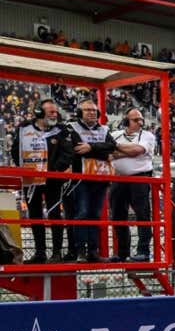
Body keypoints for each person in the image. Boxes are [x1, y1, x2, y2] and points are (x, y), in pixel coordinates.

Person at [10, 98, 73, 263]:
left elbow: (68, 153)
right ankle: (40, 253)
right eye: (51, 112)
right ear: (39, 113)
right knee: (35, 215)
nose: (55, 114)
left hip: (53, 180)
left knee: (55, 214)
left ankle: (57, 253)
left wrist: (54, 170)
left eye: (55, 111)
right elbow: (15, 150)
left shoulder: (61, 129)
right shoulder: (24, 128)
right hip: (31, 180)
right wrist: (26, 168)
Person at [69, 99, 117, 262]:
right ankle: (81, 252)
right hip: (81, 179)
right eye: (87, 110)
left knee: (95, 215)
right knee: (82, 214)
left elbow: (112, 146)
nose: (92, 113)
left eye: (94, 110)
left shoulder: (104, 129)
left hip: (100, 179)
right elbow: (77, 149)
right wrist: (101, 151)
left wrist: (91, 147)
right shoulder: (72, 128)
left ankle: (93, 252)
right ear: (79, 113)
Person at [109, 107, 157, 262]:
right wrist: (126, 151)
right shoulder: (116, 134)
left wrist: (115, 149)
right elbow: (106, 153)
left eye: (141, 119)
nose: (140, 122)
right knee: (118, 216)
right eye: (136, 120)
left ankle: (143, 251)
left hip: (140, 178)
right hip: (119, 179)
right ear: (126, 121)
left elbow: (137, 150)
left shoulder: (147, 135)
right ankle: (122, 252)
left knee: (142, 215)